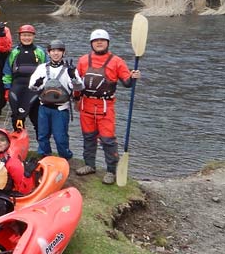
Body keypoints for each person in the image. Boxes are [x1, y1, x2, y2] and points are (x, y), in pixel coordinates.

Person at [75, 29, 141, 185]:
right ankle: (89, 165)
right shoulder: (83, 60)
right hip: (86, 105)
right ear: (91, 43)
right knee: (88, 137)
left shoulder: (117, 61)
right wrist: (75, 99)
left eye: (102, 40)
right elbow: (76, 83)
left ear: (107, 43)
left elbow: (127, 83)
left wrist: (133, 77)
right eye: (96, 41)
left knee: (107, 140)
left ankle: (111, 170)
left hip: (105, 107)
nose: (99, 43)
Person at [29, 40, 82, 161]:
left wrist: (73, 77)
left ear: (63, 53)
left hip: (61, 109)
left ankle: (65, 157)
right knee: (42, 135)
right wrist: (37, 84)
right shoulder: (42, 68)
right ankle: (44, 156)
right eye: (53, 51)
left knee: (60, 137)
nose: (56, 53)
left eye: (59, 51)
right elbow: (31, 87)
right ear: (48, 53)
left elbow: (79, 87)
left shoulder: (69, 69)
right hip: (43, 107)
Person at [2, 25, 47, 133]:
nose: (26, 38)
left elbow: (47, 70)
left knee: (36, 116)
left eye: (29, 35)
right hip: (17, 86)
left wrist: (45, 88)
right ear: (20, 36)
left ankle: (42, 144)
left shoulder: (40, 52)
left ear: (33, 36)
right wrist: (7, 88)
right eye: (24, 35)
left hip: (35, 88)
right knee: (17, 115)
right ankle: (18, 136)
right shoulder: (14, 52)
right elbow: (7, 71)